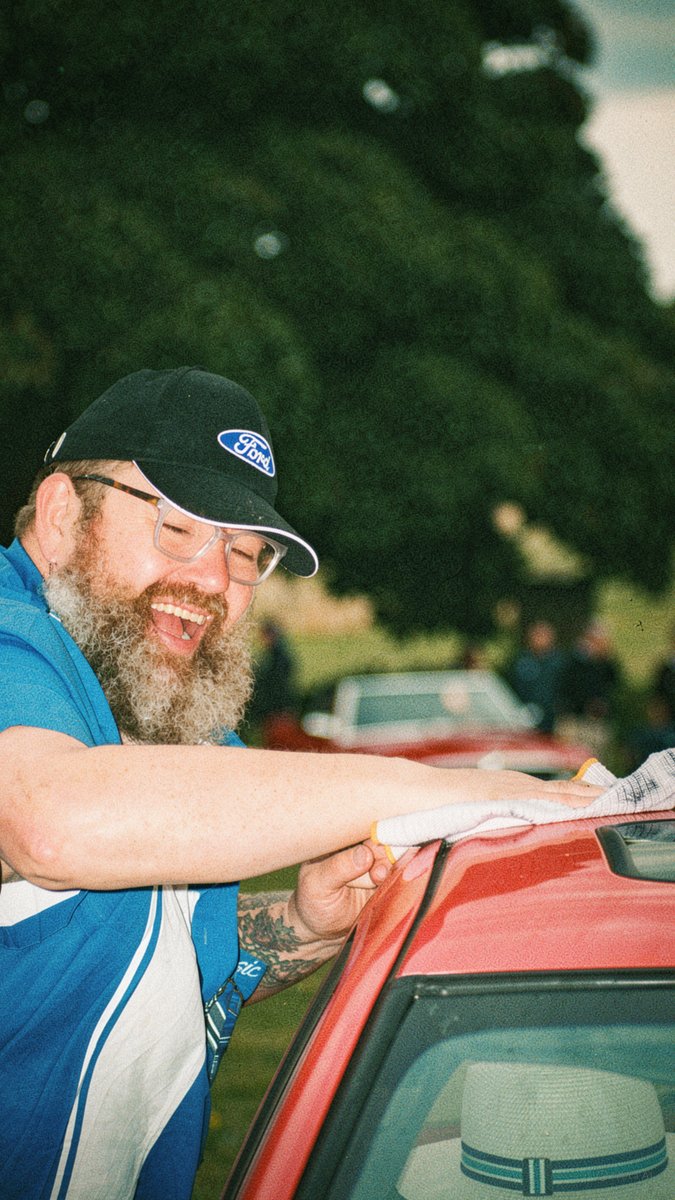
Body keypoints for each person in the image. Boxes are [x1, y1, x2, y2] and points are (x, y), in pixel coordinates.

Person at [0, 367, 599, 1200]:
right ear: (64, 514)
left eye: (246, 556)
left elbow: (105, 943)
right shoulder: (11, 642)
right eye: (178, 529)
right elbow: (47, 825)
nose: (214, 583)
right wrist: (449, 790)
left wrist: (299, 925)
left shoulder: (161, 701)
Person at [558, 620, 621, 758]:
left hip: (596, 719)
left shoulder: (604, 662)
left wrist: (605, 658)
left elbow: (612, 682)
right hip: (575, 718)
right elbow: (569, 687)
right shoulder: (574, 661)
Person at [507, 620, 564, 733]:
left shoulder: (560, 662)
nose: (539, 639)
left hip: (552, 718)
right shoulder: (521, 660)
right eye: (536, 635)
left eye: (543, 635)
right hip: (523, 717)